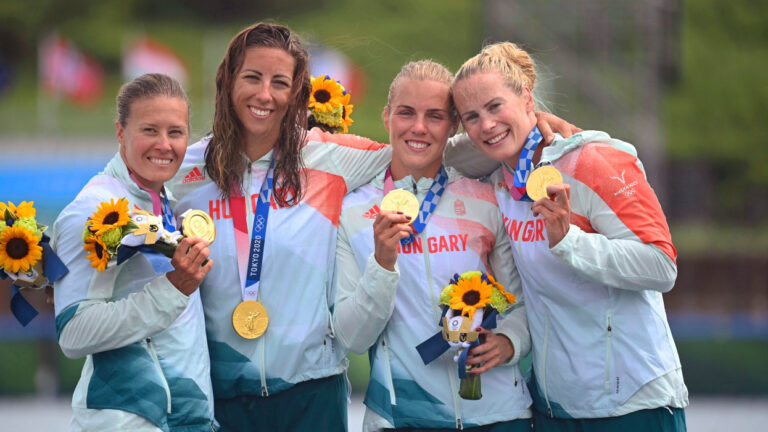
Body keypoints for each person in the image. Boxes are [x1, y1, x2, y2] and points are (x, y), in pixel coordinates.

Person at [167, 22, 580, 432]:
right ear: (227, 80)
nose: (264, 94)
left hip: (312, 393)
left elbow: (423, 153)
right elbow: (137, 190)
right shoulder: (183, 168)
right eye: (252, 77)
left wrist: (527, 126)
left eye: (280, 82)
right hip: (222, 392)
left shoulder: (327, 156)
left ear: (296, 93)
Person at [451, 42, 688, 431]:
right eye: (471, 117)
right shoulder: (500, 183)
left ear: (528, 99)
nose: (487, 125)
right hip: (554, 407)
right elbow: (434, 155)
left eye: (496, 107)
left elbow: (661, 266)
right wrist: (511, 340)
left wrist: (569, 242)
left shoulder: (593, 160)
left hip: (632, 403)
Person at [333, 60, 532, 432]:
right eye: (406, 113)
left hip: (498, 416)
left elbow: (520, 303)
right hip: (401, 418)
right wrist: (382, 264)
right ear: (387, 116)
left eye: (435, 116)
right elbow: (351, 337)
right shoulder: (352, 212)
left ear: (453, 127)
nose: (419, 127)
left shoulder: (486, 199)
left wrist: (510, 341)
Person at [52, 73, 216, 431]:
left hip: (179, 419)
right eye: (149, 130)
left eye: (175, 132)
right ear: (120, 132)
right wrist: (174, 289)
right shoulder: (94, 211)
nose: (164, 144)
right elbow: (73, 333)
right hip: (128, 419)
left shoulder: (162, 200)